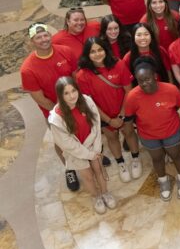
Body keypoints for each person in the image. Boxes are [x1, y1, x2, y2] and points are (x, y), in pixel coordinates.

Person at [21, 23, 80, 190]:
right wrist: (63, 110)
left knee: (83, 131)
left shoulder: (65, 51)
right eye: (38, 37)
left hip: (76, 102)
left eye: (45, 35)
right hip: (54, 111)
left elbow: (76, 77)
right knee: (62, 141)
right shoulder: (28, 69)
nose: (43, 39)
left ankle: (90, 157)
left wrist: (77, 102)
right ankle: (70, 169)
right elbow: (40, 99)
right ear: (32, 42)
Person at [122, 59, 180, 201]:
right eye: (140, 81)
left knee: (176, 155)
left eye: (147, 79)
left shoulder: (171, 90)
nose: (145, 83)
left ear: (155, 76)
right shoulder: (132, 96)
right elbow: (130, 117)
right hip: (149, 136)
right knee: (157, 158)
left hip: (171, 132)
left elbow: (177, 107)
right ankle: (163, 181)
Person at [49, 77, 116, 213]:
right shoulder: (56, 118)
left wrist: (96, 148)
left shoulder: (86, 101)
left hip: (93, 146)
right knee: (87, 176)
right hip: (77, 152)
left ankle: (105, 193)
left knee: (99, 170)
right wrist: (88, 155)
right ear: (60, 95)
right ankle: (96, 197)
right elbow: (67, 144)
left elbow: (96, 124)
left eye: (74, 91)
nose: (72, 96)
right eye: (66, 93)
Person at [76, 37, 137, 183]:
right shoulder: (82, 75)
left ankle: (136, 159)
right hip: (102, 116)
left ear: (105, 50)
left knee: (129, 133)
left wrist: (121, 116)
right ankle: (121, 163)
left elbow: (128, 90)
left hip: (124, 110)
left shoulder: (119, 64)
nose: (97, 54)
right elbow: (88, 102)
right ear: (87, 54)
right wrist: (109, 120)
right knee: (112, 138)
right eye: (93, 52)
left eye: (100, 50)